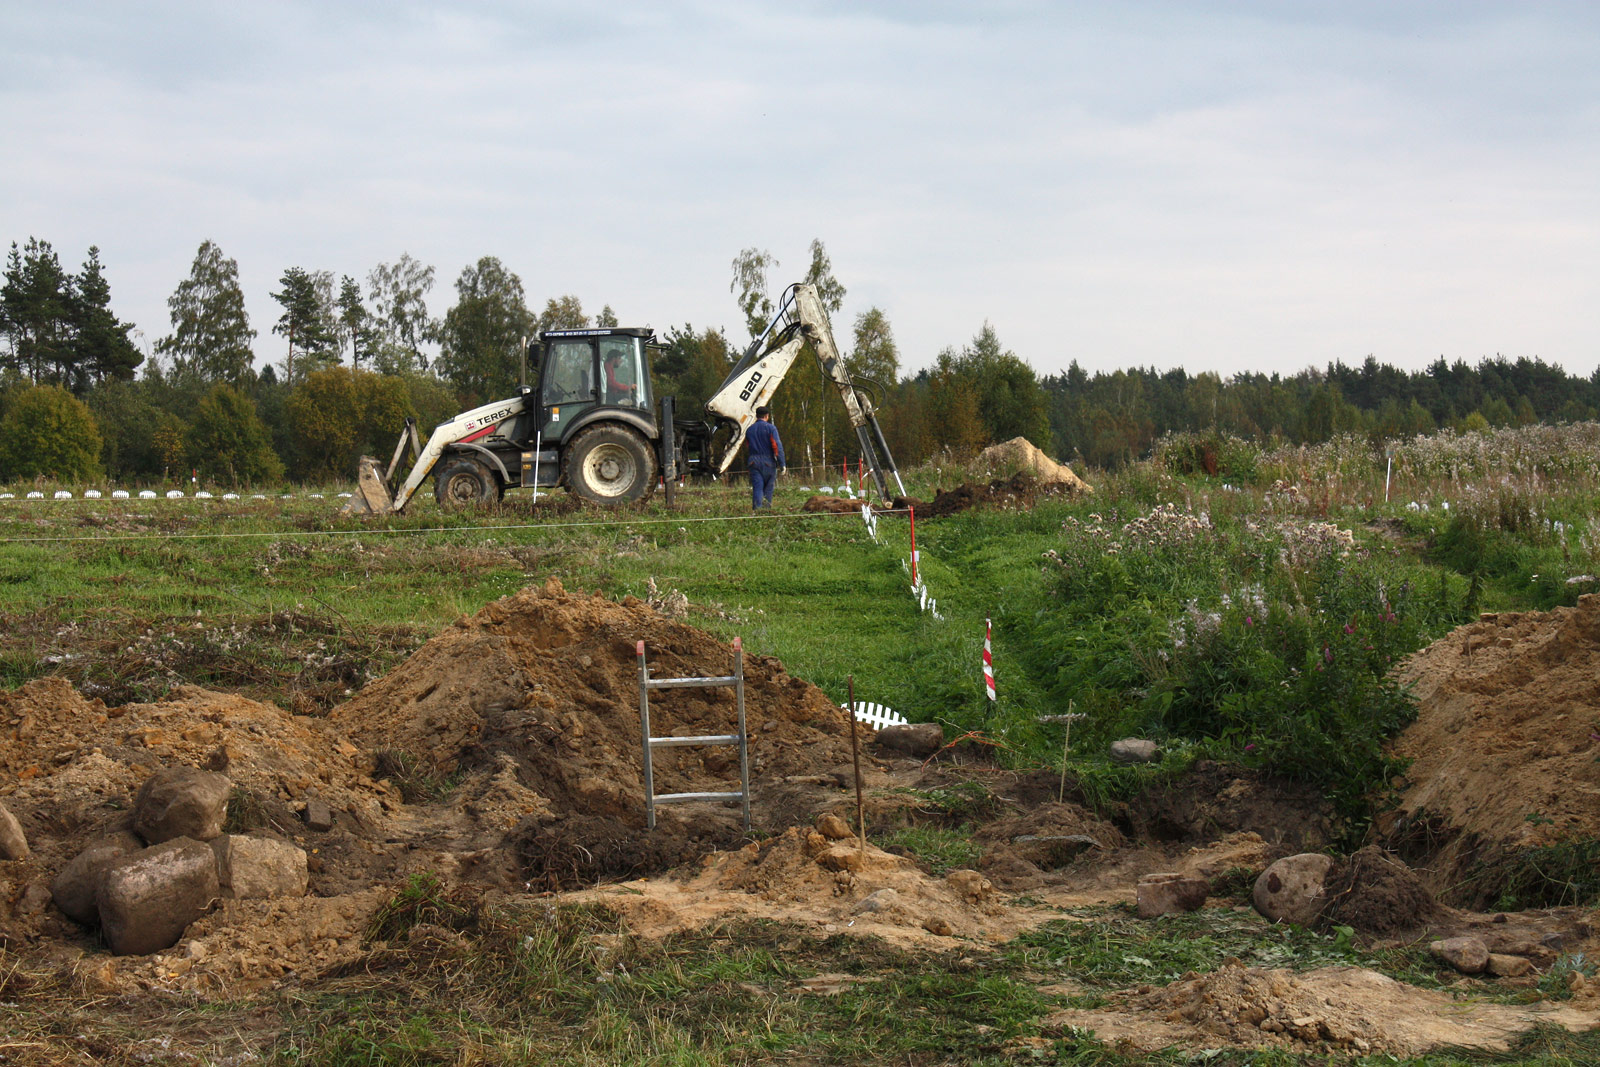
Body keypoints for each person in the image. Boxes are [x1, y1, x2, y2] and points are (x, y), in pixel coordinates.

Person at [744, 406, 785, 510]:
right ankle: (766, 512)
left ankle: (757, 512)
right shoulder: (771, 428)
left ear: (756, 416)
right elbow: (777, 446)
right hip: (768, 462)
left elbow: (748, 446)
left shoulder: (749, 430)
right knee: (768, 489)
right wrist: (782, 463)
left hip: (753, 461)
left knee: (757, 488)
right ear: (767, 416)